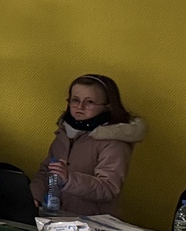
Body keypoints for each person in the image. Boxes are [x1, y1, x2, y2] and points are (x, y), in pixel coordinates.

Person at [31, 74, 144, 218]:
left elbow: (109, 188)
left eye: (89, 102)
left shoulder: (114, 141)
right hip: (57, 217)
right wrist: (34, 196)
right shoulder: (64, 133)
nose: (80, 107)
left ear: (107, 107)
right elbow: (45, 172)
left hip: (94, 222)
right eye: (75, 100)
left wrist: (69, 179)